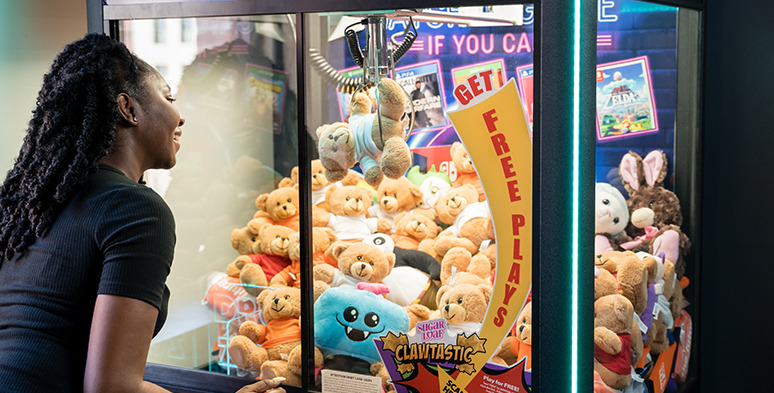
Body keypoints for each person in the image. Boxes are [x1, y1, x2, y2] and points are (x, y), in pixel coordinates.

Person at [0, 33, 284, 393]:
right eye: (169, 98)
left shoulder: (30, 203)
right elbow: (112, 387)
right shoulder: (136, 209)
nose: (180, 117)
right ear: (128, 109)